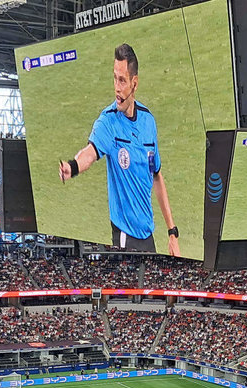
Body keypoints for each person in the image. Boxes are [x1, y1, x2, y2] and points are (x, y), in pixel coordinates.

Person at [58, 43, 180, 255]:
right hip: (124, 237)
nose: (116, 87)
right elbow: (90, 152)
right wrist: (73, 166)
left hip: (147, 236)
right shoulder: (108, 122)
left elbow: (156, 176)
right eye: (114, 78)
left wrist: (172, 232)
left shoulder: (148, 122)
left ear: (135, 83)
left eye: (122, 80)